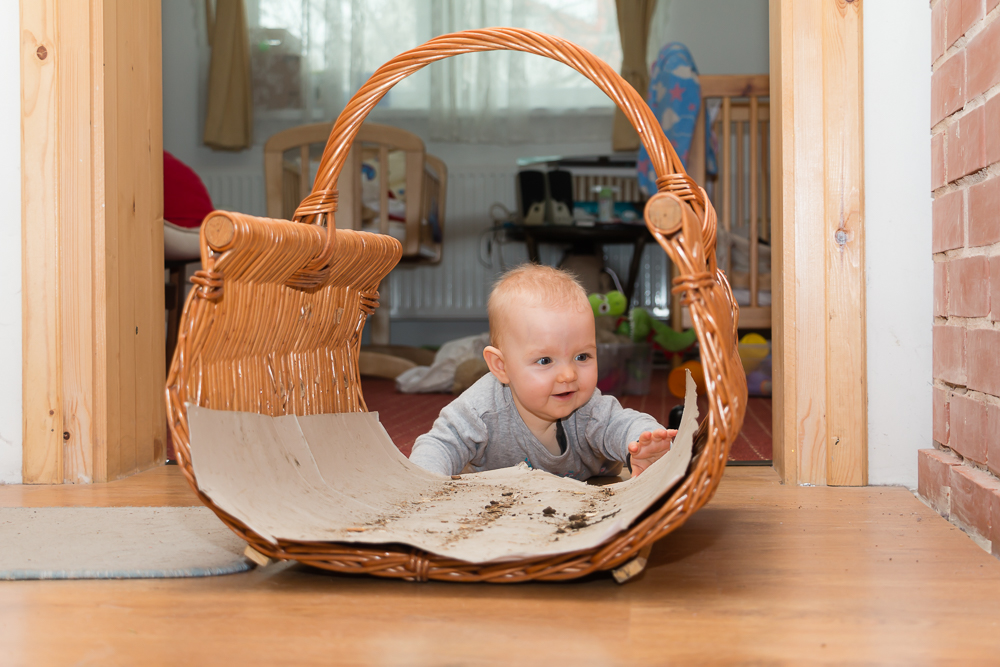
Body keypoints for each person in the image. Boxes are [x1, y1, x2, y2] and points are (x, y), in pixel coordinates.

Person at [409, 264, 676, 480]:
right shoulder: (481, 410)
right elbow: (438, 445)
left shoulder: (587, 407)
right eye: (545, 360)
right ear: (501, 366)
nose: (568, 375)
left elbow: (624, 422)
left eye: (582, 356)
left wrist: (646, 444)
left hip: (590, 495)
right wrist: (424, 484)